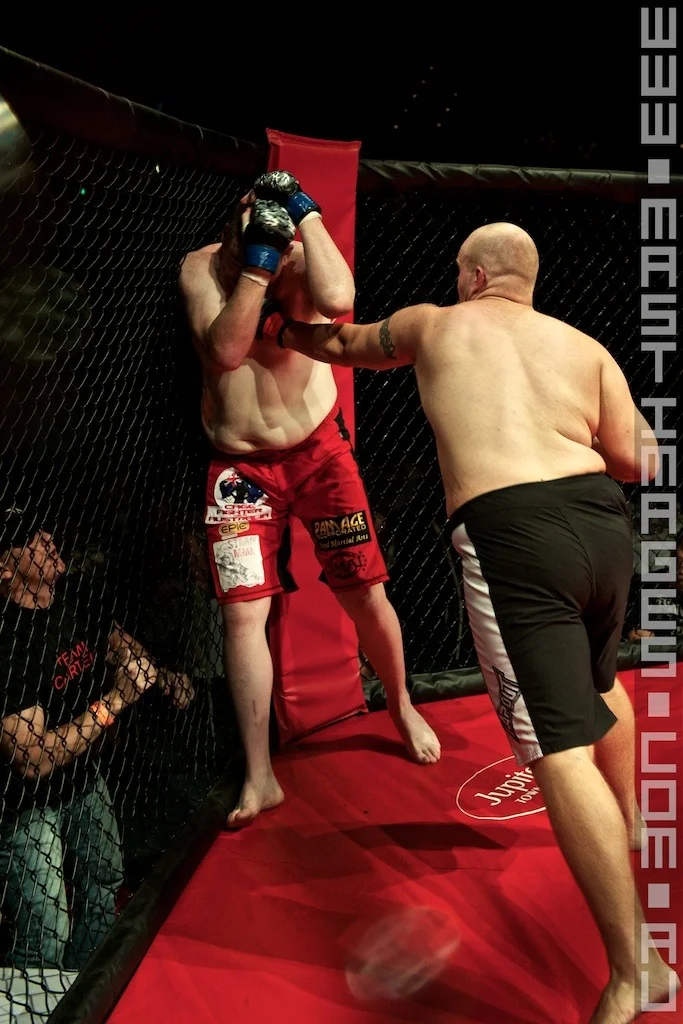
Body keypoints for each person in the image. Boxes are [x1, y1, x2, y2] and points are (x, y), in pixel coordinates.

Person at [274, 221, 679, 1023]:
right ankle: (629, 822)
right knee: (600, 680)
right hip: (602, 524)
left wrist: (282, 331)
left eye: (458, 269)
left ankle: (637, 968)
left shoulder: (434, 323)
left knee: (555, 748)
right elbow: (643, 462)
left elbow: (346, 343)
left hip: (512, 535)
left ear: (473, 276)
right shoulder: (583, 346)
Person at [178, 170, 441, 828]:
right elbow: (227, 350)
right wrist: (257, 268)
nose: (273, 239)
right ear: (234, 223)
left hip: (319, 454)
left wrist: (307, 214)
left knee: (364, 591)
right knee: (243, 616)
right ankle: (259, 775)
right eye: (255, 225)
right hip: (240, 471)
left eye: (280, 229)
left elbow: (342, 299)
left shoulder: (303, 260)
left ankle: (400, 703)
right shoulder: (201, 269)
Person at [0, 520, 195, 969]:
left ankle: (89, 990)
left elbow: (120, 645)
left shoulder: (75, 596)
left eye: (43, 531)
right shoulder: (8, 641)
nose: (47, 539)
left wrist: (160, 677)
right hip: (22, 804)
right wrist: (115, 702)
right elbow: (32, 759)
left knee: (104, 883)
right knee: (46, 933)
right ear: (5, 570)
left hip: (82, 777)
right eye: (27, 540)